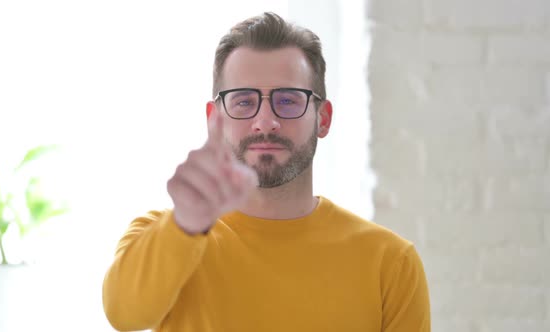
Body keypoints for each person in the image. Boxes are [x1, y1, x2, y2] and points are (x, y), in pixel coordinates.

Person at [102, 12, 430, 332]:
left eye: (288, 100)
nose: (265, 121)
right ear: (214, 118)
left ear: (324, 119)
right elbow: (123, 315)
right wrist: (185, 225)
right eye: (244, 101)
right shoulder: (160, 236)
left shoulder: (391, 263)